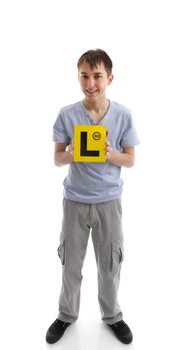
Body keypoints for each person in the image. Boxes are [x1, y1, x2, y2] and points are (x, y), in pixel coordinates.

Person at [46, 49, 140, 345]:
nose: (90, 83)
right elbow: (58, 159)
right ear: (79, 78)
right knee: (71, 262)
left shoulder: (123, 115)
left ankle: (112, 315)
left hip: (109, 203)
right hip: (74, 201)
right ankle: (66, 314)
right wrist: (72, 153)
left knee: (110, 263)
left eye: (97, 76)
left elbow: (130, 159)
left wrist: (112, 154)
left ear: (109, 78)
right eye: (84, 76)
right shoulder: (67, 114)